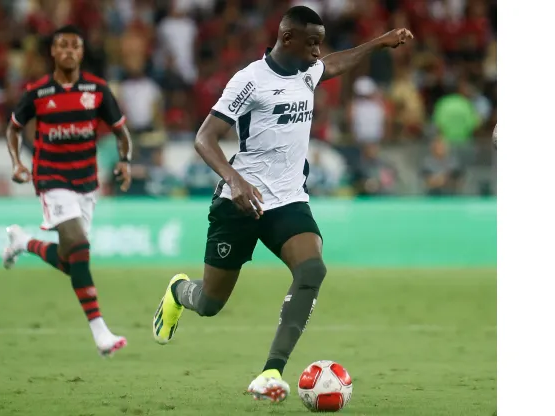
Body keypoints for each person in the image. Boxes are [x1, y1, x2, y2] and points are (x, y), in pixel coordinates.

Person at [151, 6, 413, 402]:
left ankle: (271, 371)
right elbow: (204, 138)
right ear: (287, 38)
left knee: (312, 269)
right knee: (209, 303)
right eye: (312, 42)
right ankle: (177, 292)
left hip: (288, 199)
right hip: (240, 203)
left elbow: (335, 64)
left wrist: (378, 43)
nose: (317, 50)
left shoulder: (309, 70)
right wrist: (234, 180)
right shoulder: (249, 80)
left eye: (320, 43)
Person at [2, 25, 134, 357]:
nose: (69, 51)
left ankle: (24, 242)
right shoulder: (38, 93)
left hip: (86, 184)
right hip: (51, 178)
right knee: (79, 243)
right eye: (62, 45)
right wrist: (17, 163)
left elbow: (121, 133)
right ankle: (101, 332)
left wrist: (125, 161)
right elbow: (13, 129)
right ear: (53, 52)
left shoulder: (98, 90)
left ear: (82, 52)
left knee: (72, 259)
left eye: (75, 46)